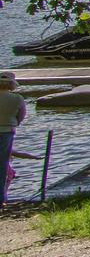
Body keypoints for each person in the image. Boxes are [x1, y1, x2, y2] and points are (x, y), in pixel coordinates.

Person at [0, 72, 38, 203]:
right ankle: (1, 198)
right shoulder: (18, 98)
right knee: (3, 164)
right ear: (11, 84)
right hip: (7, 130)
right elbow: (21, 117)